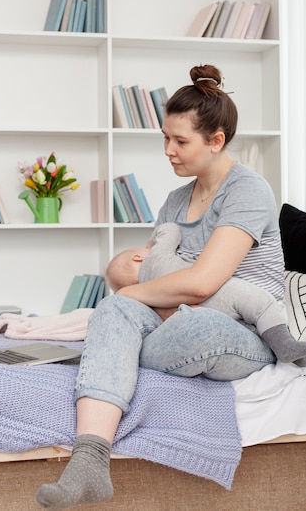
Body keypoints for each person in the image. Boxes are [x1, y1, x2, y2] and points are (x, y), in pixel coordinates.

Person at [36, 64, 285, 510]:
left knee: (184, 323)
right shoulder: (175, 200)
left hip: (242, 331)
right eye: (165, 139)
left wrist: (132, 294)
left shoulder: (248, 191)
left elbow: (203, 282)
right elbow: (157, 276)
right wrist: (130, 291)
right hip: (173, 318)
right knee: (113, 311)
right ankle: (89, 460)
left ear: (216, 141)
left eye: (180, 141)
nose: (168, 151)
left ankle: (113, 354)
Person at [106, 221, 306, 365]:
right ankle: (284, 344)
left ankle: (260, 335)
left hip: (205, 313)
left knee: (241, 321)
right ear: (138, 257)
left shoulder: (151, 299)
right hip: (220, 292)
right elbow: (171, 230)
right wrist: (153, 243)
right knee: (263, 304)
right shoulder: (156, 256)